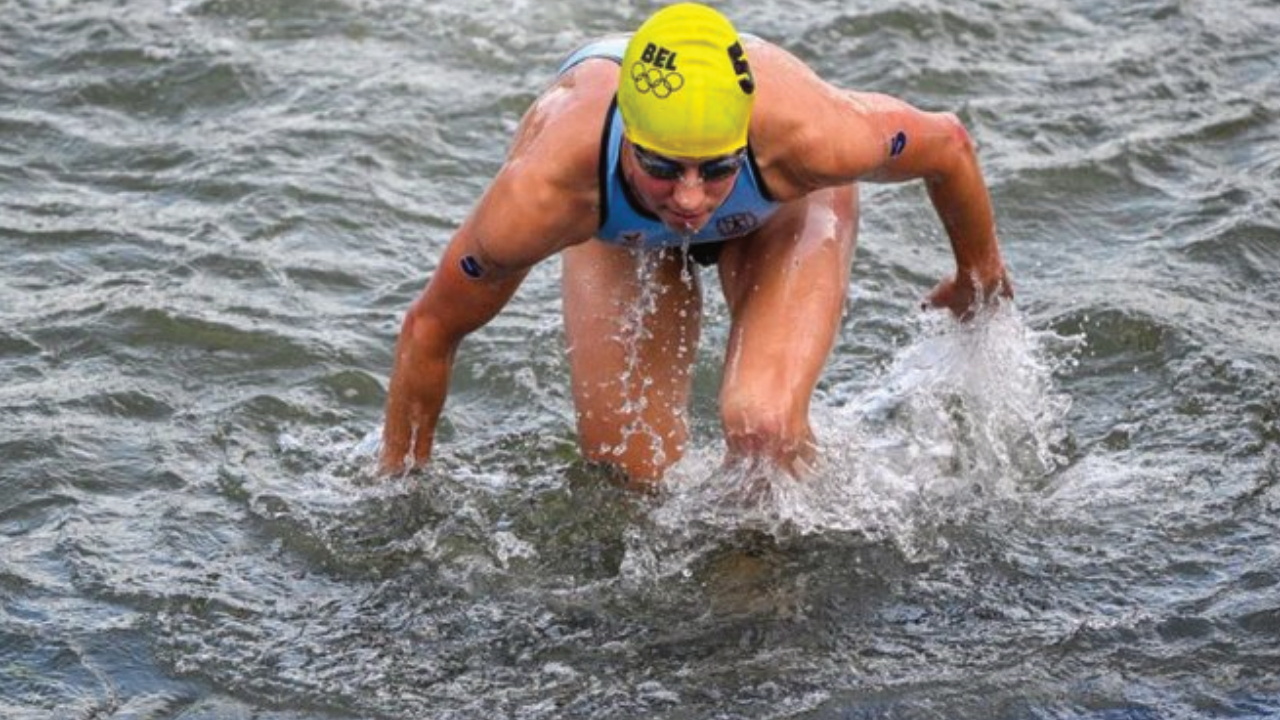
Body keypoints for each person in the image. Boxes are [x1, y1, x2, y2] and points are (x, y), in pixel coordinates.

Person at [379, 2, 1012, 485]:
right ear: (628, 142)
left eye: (713, 170)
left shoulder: (811, 134)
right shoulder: (548, 190)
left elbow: (947, 144)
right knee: (626, 480)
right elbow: (431, 326)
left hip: (780, 208)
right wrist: (402, 487)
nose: (689, 199)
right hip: (618, 233)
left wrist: (977, 278)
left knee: (763, 430)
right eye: (663, 168)